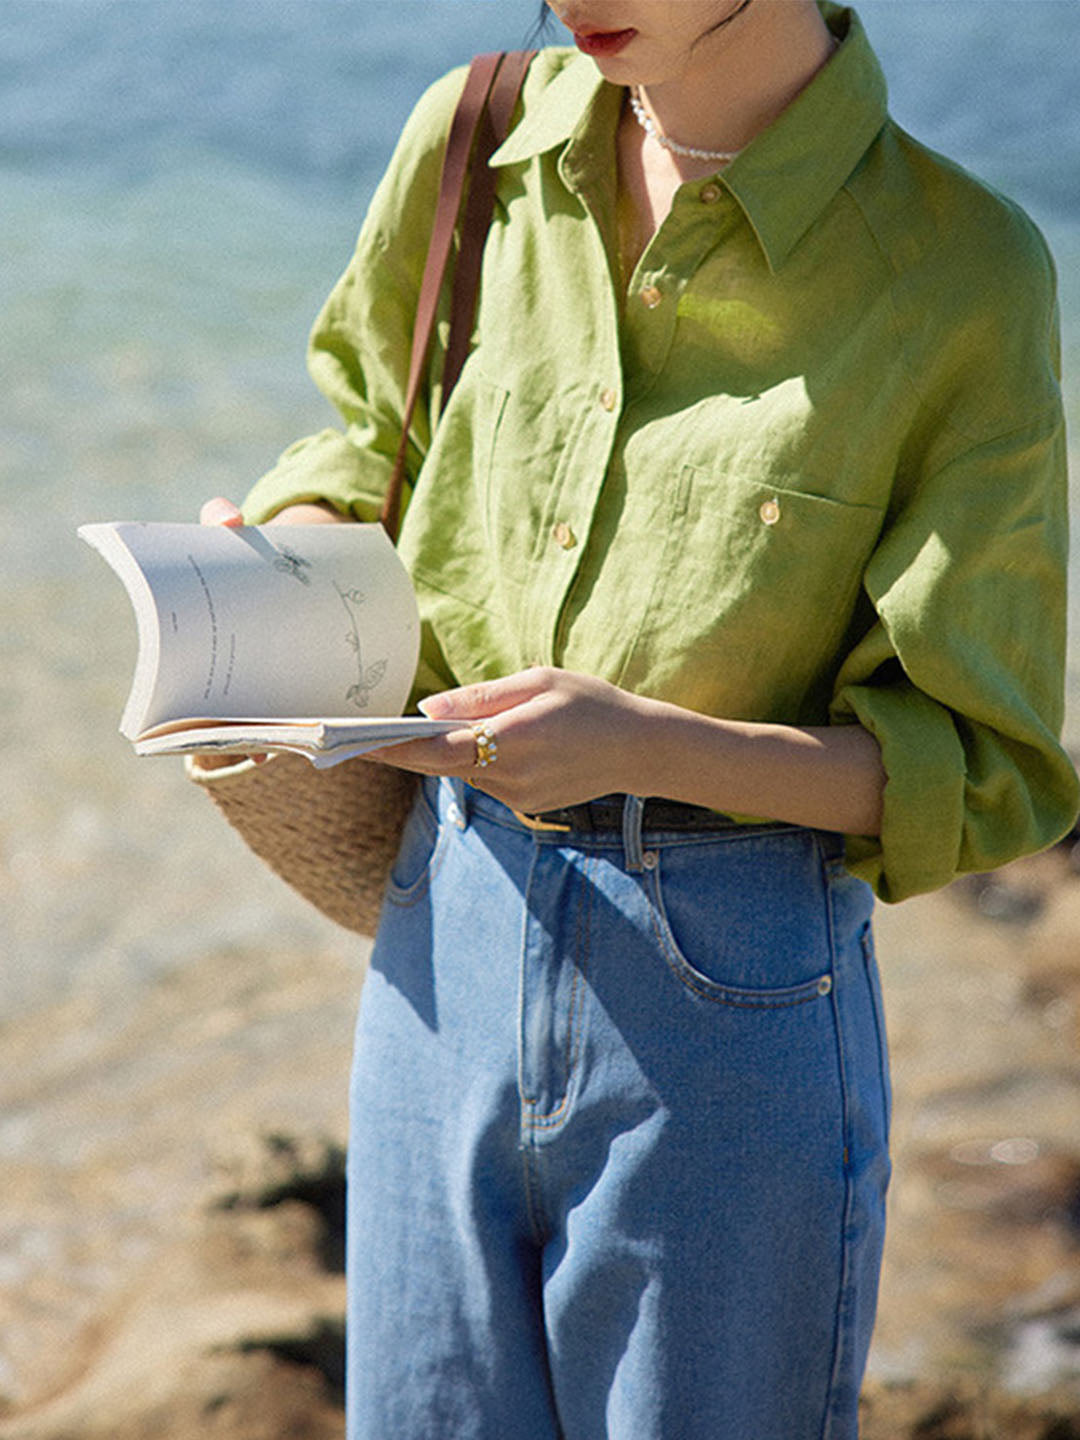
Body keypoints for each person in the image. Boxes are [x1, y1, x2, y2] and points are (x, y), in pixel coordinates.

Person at [201, 1, 1078, 1434]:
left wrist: (649, 746)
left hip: (728, 1003)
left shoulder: (963, 274)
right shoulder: (475, 137)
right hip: (441, 933)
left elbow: (978, 765)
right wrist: (286, 552)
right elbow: (364, 431)